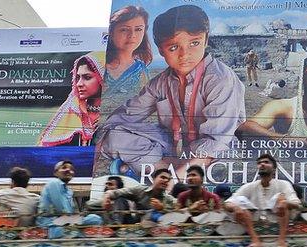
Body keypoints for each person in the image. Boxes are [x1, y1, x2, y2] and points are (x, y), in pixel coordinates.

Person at [97, 4, 245, 176]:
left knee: (222, 161)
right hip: (175, 147)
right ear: (161, 50)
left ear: (205, 40)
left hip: (215, 151)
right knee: (114, 136)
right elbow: (125, 115)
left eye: (194, 43)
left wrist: (174, 180)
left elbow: (217, 141)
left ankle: (161, 170)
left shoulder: (221, 79)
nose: (184, 54)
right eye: (173, 47)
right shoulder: (161, 82)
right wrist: (104, 138)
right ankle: (166, 167)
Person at [225, 153, 301, 247]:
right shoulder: (249, 186)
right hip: (253, 221)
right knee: (239, 202)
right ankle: (255, 240)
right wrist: (236, 207)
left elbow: (297, 204)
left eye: (266, 162)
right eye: (259, 163)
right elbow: (227, 203)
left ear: (274, 169)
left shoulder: (283, 184)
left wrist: (285, 203)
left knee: (281, 199)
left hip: (278, 219)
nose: (262, 164)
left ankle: (281, 241)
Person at [39, 53, 104, 147]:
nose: (79, 84)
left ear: (102, 77)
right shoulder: (71, 110)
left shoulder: (119, 112)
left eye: (87, 77)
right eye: (78, 77)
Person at [38, 160, 102, 238]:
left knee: (95, 219)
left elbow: (71, 213)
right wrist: (75, 219)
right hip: (52, 223)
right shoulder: (54, 183)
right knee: (93, 221)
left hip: (66, 221)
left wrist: (76, 217)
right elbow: (62, 210)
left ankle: (77, 233)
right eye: (64, 167)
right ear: (55, 173)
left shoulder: (68, 191)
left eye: (71, 169)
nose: (68, 170)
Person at [104, 5, 153, 97]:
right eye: (124, 30)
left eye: (138, 29)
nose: (132, 35)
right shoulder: (98, 65)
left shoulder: (140, 69)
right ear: (111, 33)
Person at [99, 167, 177, 223]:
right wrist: (106, 196)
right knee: (120, 199)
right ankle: (116, 225)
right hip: (136, 224)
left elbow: (178, 210)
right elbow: (117, 192)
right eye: (163, 177)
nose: (166, 180)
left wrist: (162, 208)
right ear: (154, 178)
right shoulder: (140, 190)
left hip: (157, 228)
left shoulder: (168, 199)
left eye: (168, 180)